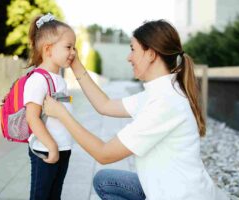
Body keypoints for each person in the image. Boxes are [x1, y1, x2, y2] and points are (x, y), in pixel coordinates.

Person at [43, 19, 229, 200]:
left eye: (133, 49)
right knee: (104, 181)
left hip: (179, 195)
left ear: (151, 54)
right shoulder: (159, 91)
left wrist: (62, 114)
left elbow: (104, 154)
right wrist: (75, 64)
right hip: (167, 185)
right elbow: (105, 105)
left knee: (105, 176)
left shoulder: (164, 102)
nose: (128, 57)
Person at [24, 13, 75, 200]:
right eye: (68, 47)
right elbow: (32, 117)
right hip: (45, 150)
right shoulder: (38, 79)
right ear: (48, 49)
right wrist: (52, 146)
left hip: (62, 149)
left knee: (54, 196)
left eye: (74, 47)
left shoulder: (59, 78)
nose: (73, 52)